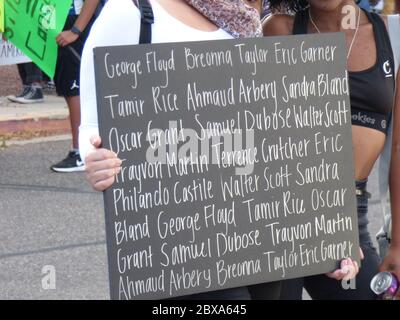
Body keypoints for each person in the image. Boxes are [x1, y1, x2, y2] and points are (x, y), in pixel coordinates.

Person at [80, 0, 359, 299]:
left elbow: (282, 142)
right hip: (176, 242)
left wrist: (332, 235)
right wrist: (95, 161)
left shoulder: (251, 21)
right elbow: (93, 125)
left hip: (258, 234)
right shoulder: (133, 11)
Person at [264, 0, 400, 299]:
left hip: (352, 214)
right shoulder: (278, 31)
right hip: (283, 215)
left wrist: (398, 244)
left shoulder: (393, 35)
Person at [50, 0, 100, 173]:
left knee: (74, 90)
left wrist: (76, 30)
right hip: (60, 19)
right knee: (68, 88)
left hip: (74, 22)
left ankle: (80, 152)